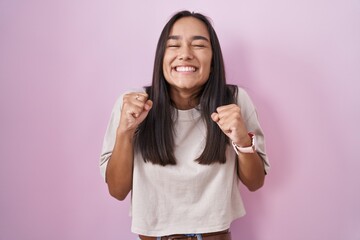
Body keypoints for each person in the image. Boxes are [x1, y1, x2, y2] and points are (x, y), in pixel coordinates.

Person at [100, 10, 270, 240]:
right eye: (174, 46)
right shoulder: (132, 105)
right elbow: (117, 191)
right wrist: (125, 131)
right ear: (161, 58)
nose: (185, 54)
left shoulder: (235, 101)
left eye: (198, 45)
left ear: (213, 60)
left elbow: (255, 182)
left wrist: (242, 141)